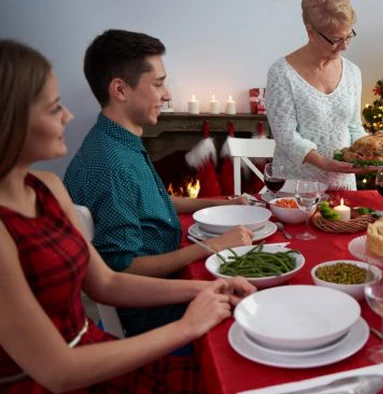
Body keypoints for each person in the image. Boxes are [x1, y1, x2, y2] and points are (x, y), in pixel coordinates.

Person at [0, 39, 256, 394]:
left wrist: (209, 288)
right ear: (10, 119)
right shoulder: (110, 164)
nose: (69, 116)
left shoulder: (47, 186)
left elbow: (106, 280)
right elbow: (57, 371)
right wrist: (189, 321)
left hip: (97, 344)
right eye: (54, 106)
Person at [63, 29, 253, 337]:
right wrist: (212, 245)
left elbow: (155, 203)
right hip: (155, 313)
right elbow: (120, 268)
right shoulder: (114, 166)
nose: (167, 95)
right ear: (120, 90)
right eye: (159, 84)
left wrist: (218, 202)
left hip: (168, 283)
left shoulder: (118, 139)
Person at [265, 0, 368, 190]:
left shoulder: (353, 72)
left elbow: (354, 126)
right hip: (294, 190)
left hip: (343, 187)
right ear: (310, 31)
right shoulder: (281, 73)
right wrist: (325, 163)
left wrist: (368, 155)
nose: (345, 46)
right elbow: (286, 137)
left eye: (348, 36)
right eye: (336, 40)